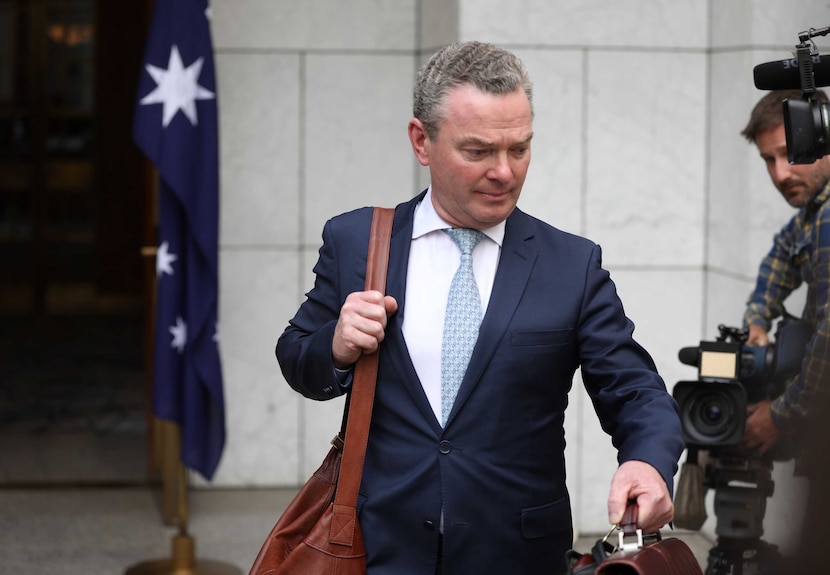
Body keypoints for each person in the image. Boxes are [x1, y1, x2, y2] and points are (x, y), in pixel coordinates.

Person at [275, 41, 683, 574]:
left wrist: (649, 463)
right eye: (479, 151)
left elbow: (634, 389)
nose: (504, 172)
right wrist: (336, 345)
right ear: (422, 141)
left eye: (519, 148)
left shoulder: (571, 265)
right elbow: (297, 357)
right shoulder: (358, 240)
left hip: (517, 554)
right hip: (377, 548)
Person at [739, 89, 830, 571]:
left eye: (789, 156)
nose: (779, 174)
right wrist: (757, 318)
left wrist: (781, 414)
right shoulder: (816, 213)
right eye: (767, 160)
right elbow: (780, 257)